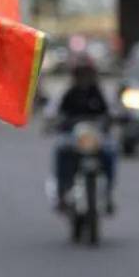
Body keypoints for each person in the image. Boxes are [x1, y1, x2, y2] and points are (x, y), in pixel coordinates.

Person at [52, 58, 116, 214]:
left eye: (87, 74)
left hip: (94, 137)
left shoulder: (99, 92)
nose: (84, 77)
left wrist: (111, 120)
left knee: (110, 152)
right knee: (61, 151)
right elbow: (56, 113)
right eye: (81, 74)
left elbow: (110, 112)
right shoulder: (68, 93)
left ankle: (107, 193)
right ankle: (62, 192)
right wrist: (56, 122)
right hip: (73, 136)